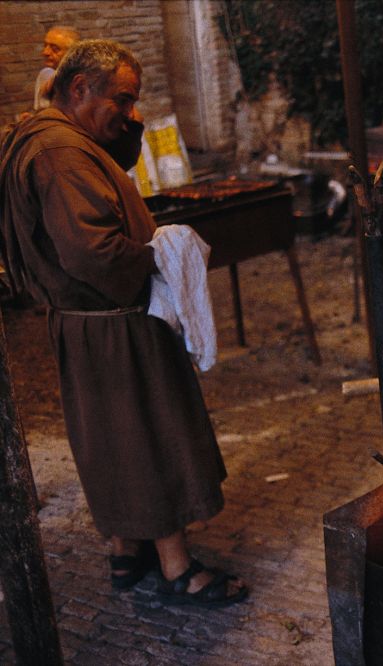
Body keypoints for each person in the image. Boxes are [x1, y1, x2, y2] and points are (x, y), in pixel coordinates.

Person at [0, 39, 247, 607]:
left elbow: (119, 167)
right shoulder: (58, 154)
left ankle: (124, 552)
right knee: (149, 439)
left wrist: (125, 123)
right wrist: (158, 261)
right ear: (79, 89)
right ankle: (178, 567)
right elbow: (92, 252)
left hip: (92, 325)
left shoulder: (62, 138)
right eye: (123, 99)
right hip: (113, 324)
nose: (130, 112)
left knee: (114, 441)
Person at [34, 26, 79, 110]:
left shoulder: (82, 81)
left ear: (72, 53)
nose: (45, 52)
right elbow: (43, 112)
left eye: (55, 49)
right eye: (45, 46)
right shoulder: (46, 74)